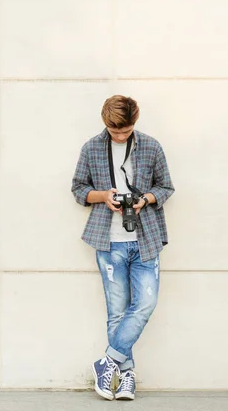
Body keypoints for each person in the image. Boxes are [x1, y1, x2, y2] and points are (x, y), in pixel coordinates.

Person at [71, 95, 175, 401]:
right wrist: (104, 196)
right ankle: (126, 376)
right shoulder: (91, 148)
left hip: (146, 240)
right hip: (109, 240)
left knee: (145, 303)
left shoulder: (151, 146)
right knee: (116, 312)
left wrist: (144, 200)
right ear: (105, 122)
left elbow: (166, 187)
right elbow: (78, 189)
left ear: (135, 122)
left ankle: (108, 361)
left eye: (126, 132)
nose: (120, 136)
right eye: (115, 132)